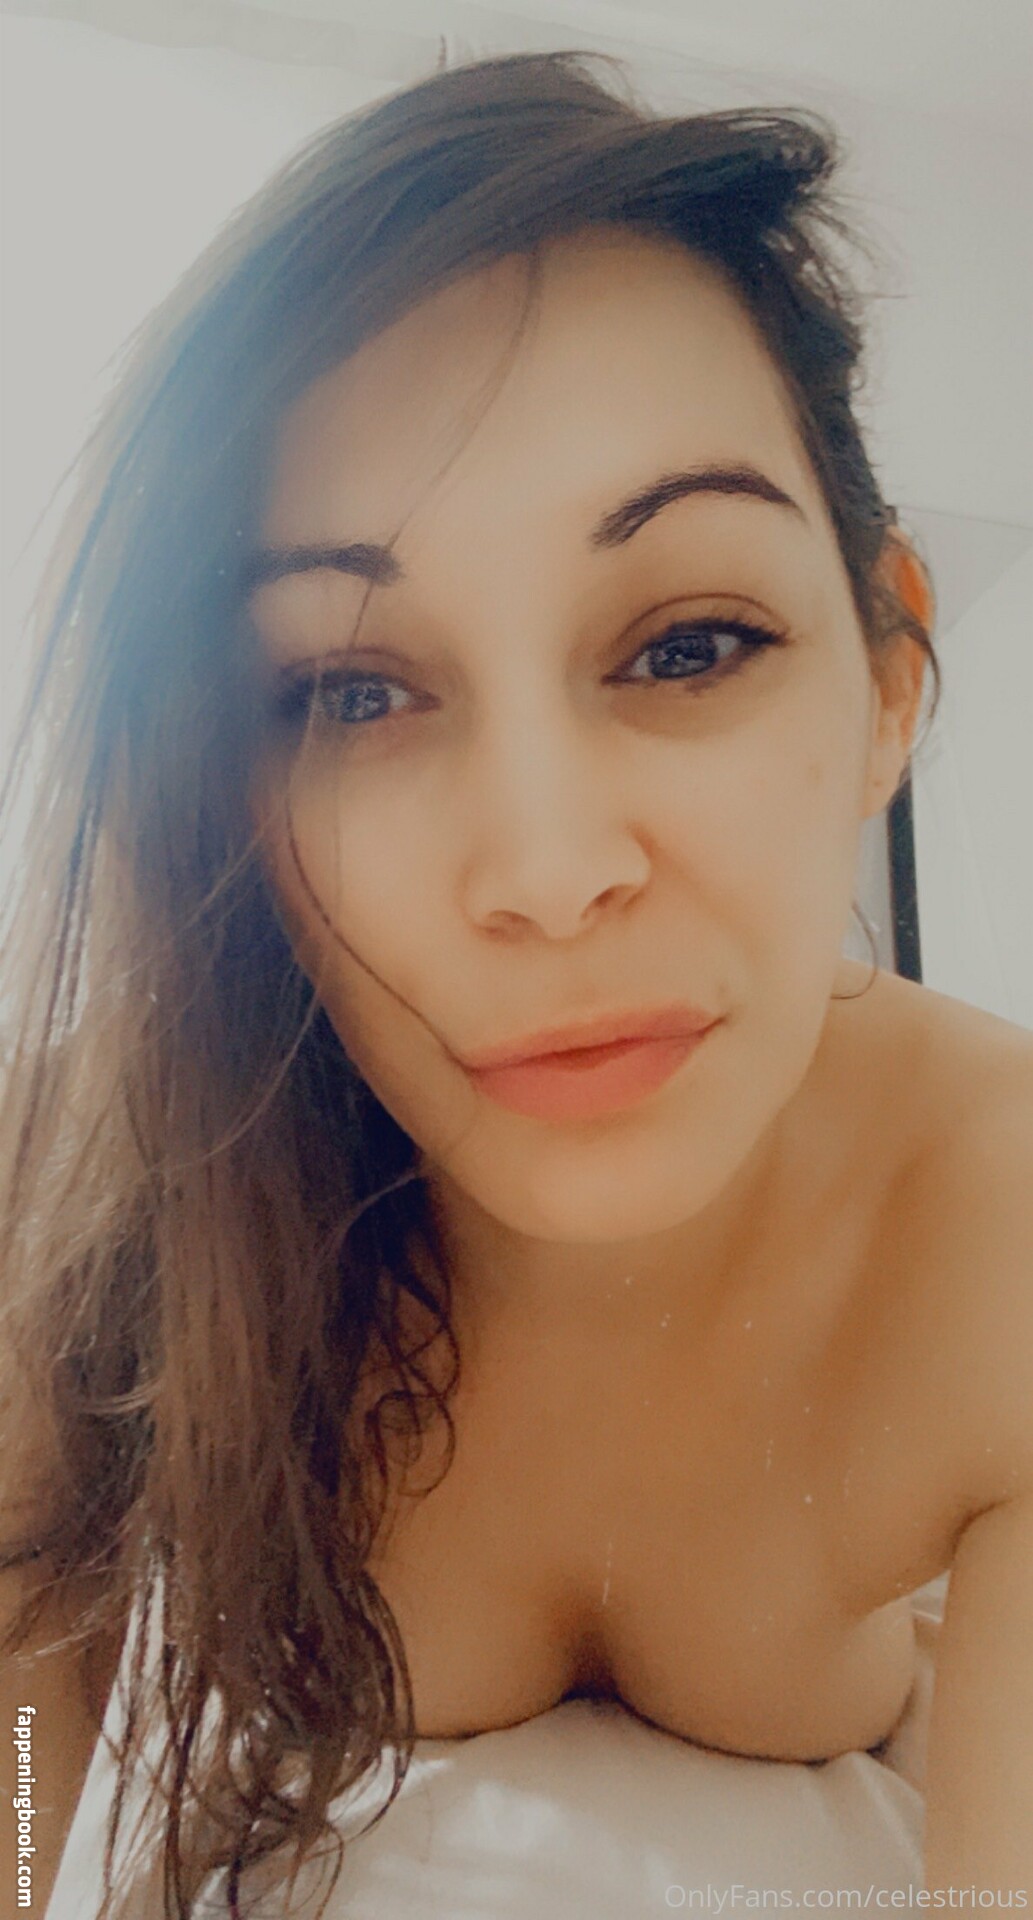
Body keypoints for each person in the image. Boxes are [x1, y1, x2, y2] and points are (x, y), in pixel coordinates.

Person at [1, 45, 1031, 1920]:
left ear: (888, 677)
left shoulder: (1003, 1221)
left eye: (688, 643)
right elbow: (14, 1758)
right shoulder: (92, 1173)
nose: (550, 875)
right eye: (349, 690)